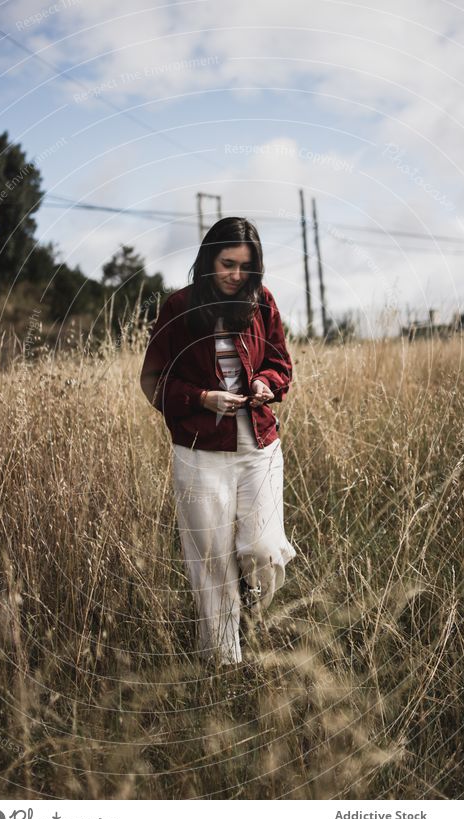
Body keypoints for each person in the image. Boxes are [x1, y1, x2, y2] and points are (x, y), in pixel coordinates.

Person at [139, 217, 296, 668]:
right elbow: (154, 381)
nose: (236, 275)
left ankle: (251, 615)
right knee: (211, 564)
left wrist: (267, 383)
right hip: (199, 452)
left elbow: (281, 364)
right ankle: (225, 666)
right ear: (209, 259)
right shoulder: (179, 307)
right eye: (228, 264)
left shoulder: (262, 302)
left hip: (259, 446)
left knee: (263, 550)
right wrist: (202, 398)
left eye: (246, 267)